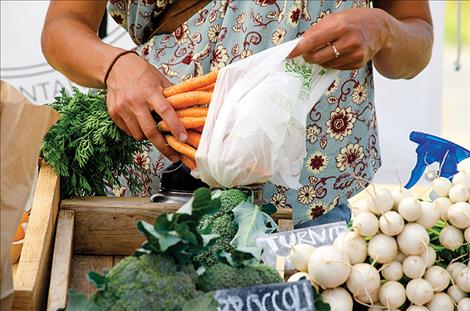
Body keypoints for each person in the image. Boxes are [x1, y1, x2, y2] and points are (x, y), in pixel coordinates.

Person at [42, 0, 433, 227]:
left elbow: (416, 38)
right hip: (163, 189)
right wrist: (116, 68)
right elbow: (62, 27)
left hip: (309, 205)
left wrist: (385, 30)